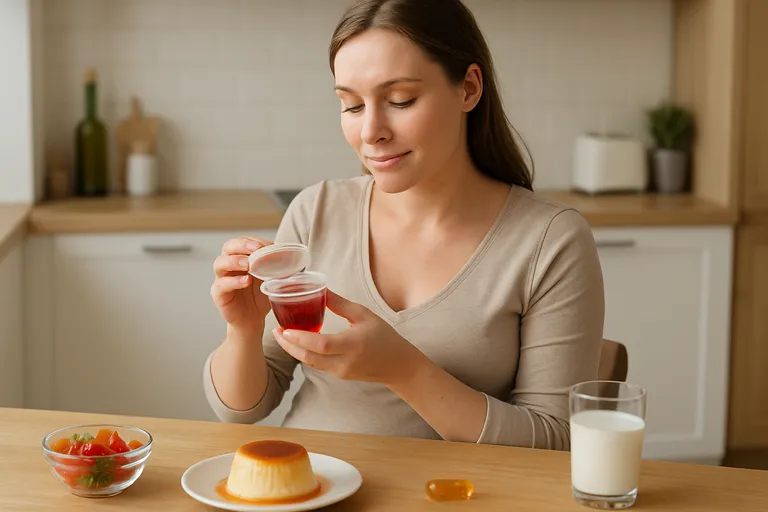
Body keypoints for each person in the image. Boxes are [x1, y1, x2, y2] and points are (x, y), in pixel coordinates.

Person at [204, 0, 604, 450]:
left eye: (401, 100)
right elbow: (241, 408)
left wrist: (404, 370)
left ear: (469, 89)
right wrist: (242, 330)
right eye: (351, 105)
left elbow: (555, 441)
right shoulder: (314, 210)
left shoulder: (549, 240)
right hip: (308, 485)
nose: (371, 131)